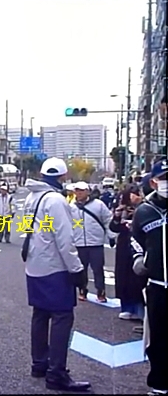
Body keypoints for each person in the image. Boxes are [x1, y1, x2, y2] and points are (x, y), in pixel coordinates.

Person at [23, 157, 90, 392]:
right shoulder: (56, 200)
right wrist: (77, 269)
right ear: (63, 177)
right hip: (55, 267)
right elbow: (64, 239)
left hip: (34, 264)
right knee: (62, 316)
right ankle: (57, 373)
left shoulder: (32, 197)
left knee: (40, 314)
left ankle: (39, 364)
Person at [131, 159, 167, 396]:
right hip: (158, 285)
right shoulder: (144, 211)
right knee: (159, 338)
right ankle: (160, 384)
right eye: (164, 179)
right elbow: (136, 240)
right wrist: (139, 259)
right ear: (153, 182)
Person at [70, 181, 115, 303]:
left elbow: (107, 220)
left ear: (88, 191)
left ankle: (101, 292)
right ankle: (82, 290)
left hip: (96, 243)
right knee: (81, 269)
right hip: (79, 243)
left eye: (82, 190)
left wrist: (111, 236)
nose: (79, 193)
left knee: (98, 269)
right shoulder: (71, 207)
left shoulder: (98, 205)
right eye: (77, 190)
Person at [110, 184, 146, 321]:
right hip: (124, 245)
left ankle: (140, 309)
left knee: (138, 276)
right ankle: (126, 307)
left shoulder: (145, 208)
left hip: (140, 244)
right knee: (123, 276)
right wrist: (117, 216)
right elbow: (114, 227)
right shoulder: (122, 209)